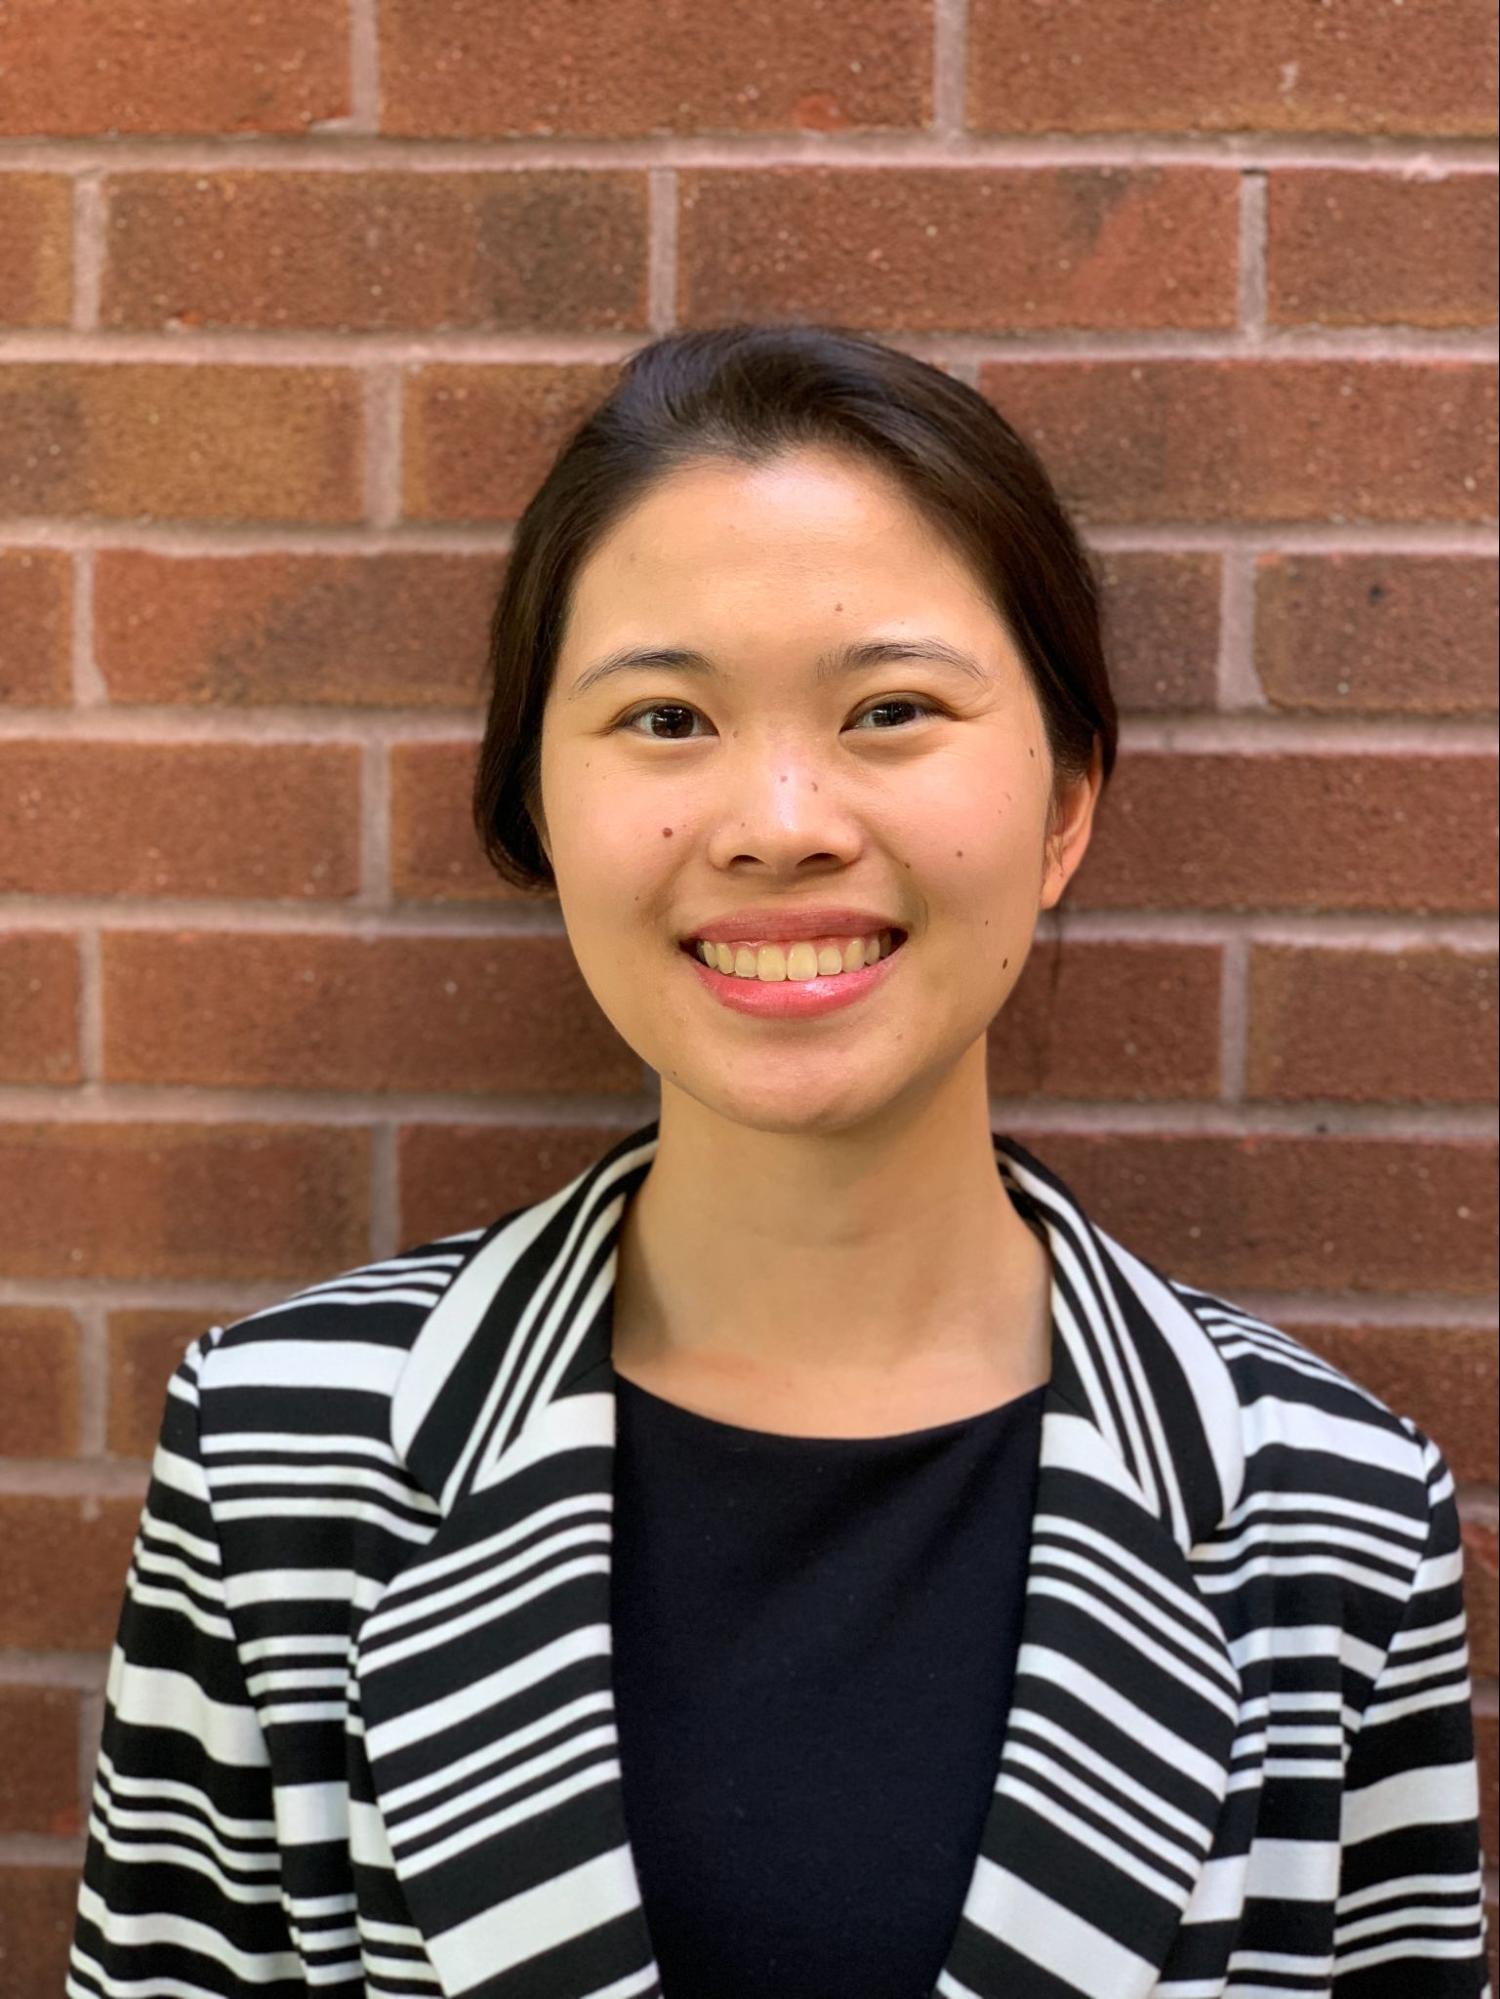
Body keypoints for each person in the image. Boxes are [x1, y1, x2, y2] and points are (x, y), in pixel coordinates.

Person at [70, 324, 1490, 1999]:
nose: (782, 818)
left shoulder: (1327, 1514)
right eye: (666, 720)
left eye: (893, 708)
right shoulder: (281, 1461)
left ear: (1068, 804)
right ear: (542, 807)